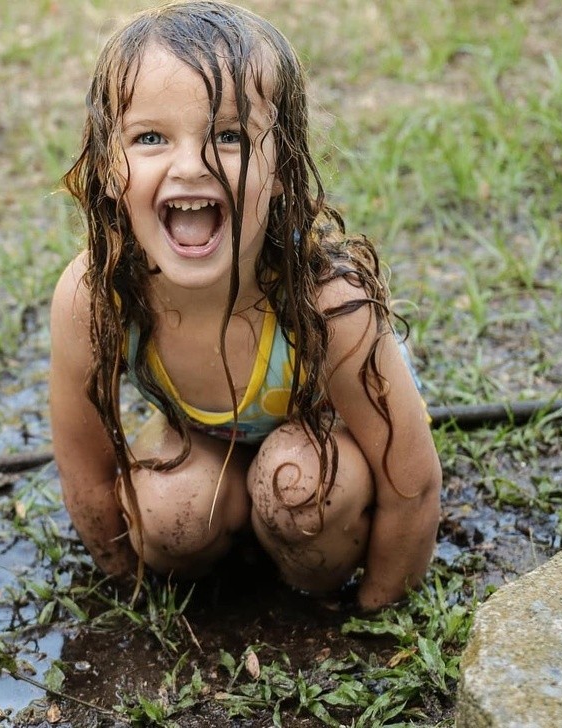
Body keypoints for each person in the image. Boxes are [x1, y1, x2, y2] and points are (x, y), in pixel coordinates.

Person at [49, 0, 442, 611]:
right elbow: (84, 465)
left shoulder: (326, 302)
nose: (191, 165)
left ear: (282, 164)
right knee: (169, 516)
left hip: (324, 439)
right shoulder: (97, 296)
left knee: (303, 491)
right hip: (205, 438)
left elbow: (410, 481)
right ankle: (224, 521)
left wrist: (379, 612)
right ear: (107, 168)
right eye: (150, 137)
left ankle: (304, 580)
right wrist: (124, 588)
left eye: (229, 136)